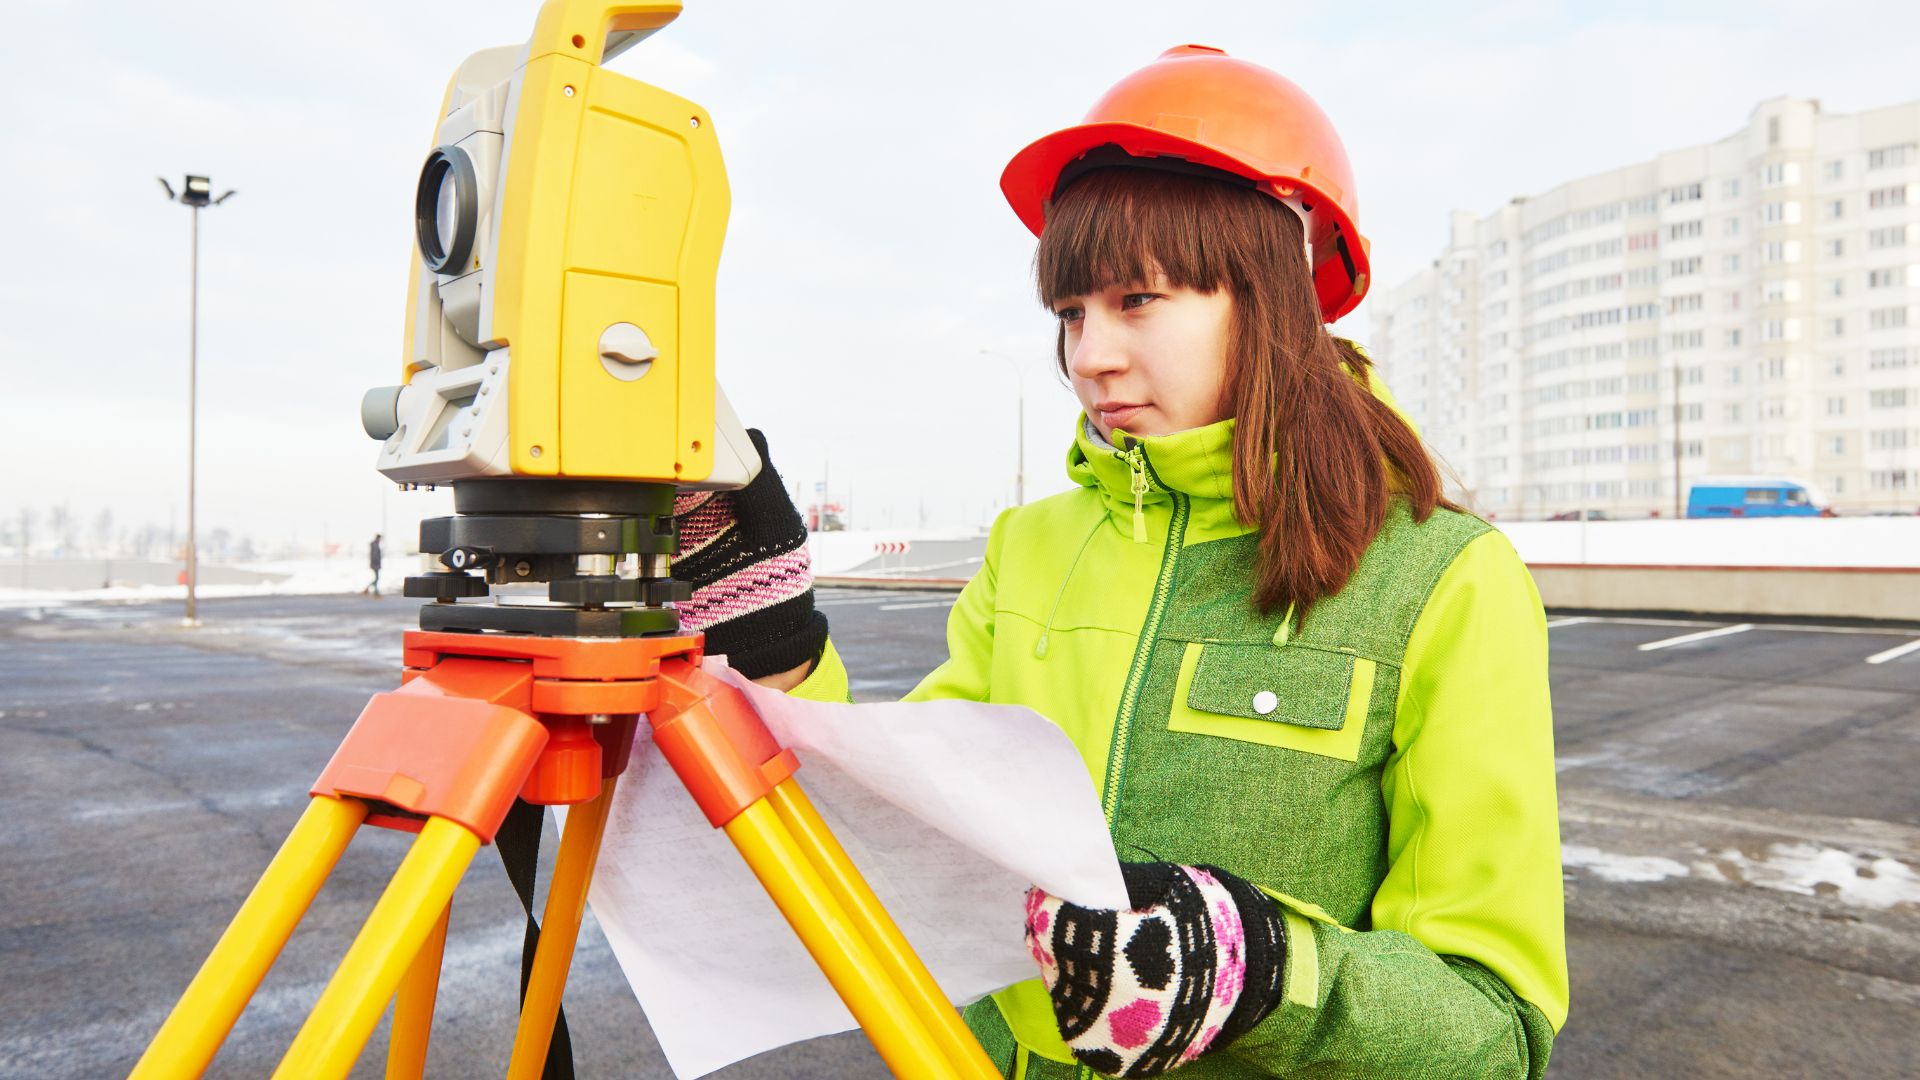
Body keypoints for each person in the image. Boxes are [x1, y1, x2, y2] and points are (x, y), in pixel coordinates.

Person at [674, 45, 1566, 1079]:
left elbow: (1495, 1030)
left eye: (1137, 299)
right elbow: (896, 830)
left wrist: (1263, 974)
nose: (1089, 356)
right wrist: (775, 638)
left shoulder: (1444, 578)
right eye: (1071, 313)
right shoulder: (1030, 547)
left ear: (1275, 294)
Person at [367, 533, 383, 598]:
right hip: (375, 564)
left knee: (377, 578)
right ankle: (374, 591)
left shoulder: (375, 544)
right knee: (377, 578)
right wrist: (377, 563)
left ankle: (374, 591)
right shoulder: (375, 545)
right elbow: (374, 555)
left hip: (375, 563)